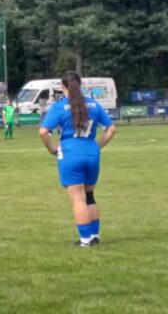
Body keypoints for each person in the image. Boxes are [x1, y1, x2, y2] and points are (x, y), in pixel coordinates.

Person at [39, 71, 117, 247]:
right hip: (91, 153)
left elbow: (43, 132)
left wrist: (52, 149)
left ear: (63, 86)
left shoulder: (60, 107)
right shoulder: (94, 105)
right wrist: (97, 146)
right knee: (89, 196)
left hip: (70, 153)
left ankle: (85, 240)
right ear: (80, 85)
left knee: (78, 199)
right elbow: (111, 129)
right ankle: (95, 236)